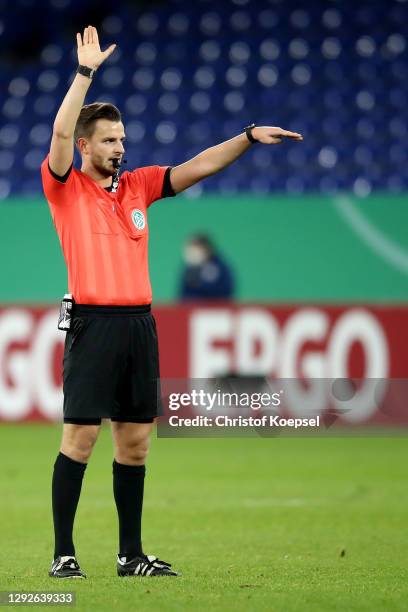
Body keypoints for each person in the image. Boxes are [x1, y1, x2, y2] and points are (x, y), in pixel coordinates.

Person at [40, 25, 303, 580]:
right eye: (109, 140)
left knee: (135, 444)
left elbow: (198, 166)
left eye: (123, 139)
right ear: (86, 147)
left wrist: (248, 137)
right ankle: (64, 555)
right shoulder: (65, 184)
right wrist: (84, 74)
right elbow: (62, 129)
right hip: (92, 324)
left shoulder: (138, 186)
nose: (120, 147)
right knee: (80, 439)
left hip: (139, 325)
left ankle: (130, 555)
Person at [180, 234, 235, 300]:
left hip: (215, 308)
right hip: (193, 308)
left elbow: (224, 291)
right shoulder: (189, 268)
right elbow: (184, 295)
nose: (193, 252)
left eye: (197, 248)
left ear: (207, 249)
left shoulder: (220, 267)